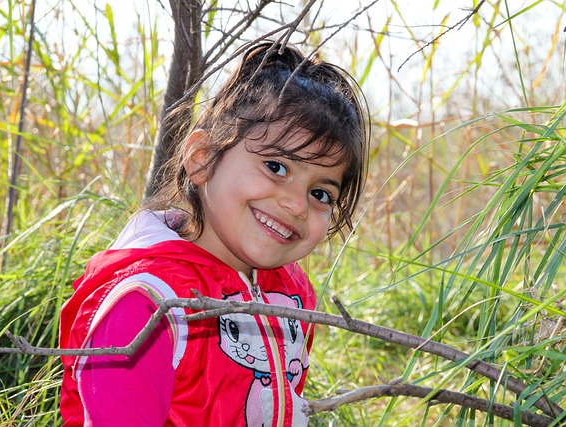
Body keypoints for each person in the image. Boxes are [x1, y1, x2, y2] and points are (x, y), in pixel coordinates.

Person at [58, 42, 369, 426]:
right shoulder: (148, 304)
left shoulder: (292, 293)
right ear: (202, 158)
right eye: (276, 167)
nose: (296, 204)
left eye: (320, 193)